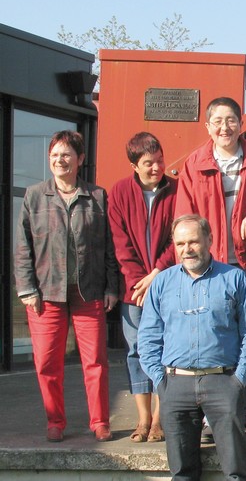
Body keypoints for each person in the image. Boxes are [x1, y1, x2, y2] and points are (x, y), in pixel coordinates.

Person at [138, 214, 246, 481]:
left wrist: (238, 380)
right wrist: (161, 383)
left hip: (223, 382)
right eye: (181, 243)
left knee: (236, 473)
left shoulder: (235, 279)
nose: (187, 249)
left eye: (194, 241)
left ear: (209, 240)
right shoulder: (162, 283)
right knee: (182, 474)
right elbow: (148, 338)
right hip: (175, 386)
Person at [14, 130, 119, 443]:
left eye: (66, 155)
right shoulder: (35, 196)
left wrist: (112, 287)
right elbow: (23, 247)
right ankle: (55, 421)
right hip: (46, 292)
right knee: (47, 362)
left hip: (88, 290)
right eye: (54, 155)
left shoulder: (97, 196)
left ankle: (100, 421)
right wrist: (27, 289)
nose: (59, 160)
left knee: (96, 361)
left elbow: (108, 247)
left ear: (80, 160)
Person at [175, 96, 246, 297]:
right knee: (211, 320)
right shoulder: (194, 165)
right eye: (218, 122)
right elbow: (183, 218)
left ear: (240, 124)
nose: (224, 127)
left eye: (231, 120)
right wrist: (184, 264)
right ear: (208, 127)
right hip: (207, 260)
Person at [108, 132, 177, 443]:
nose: (156, 167)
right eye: (148, 163)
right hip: (133, 289)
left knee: (166, 351)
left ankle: (161, 419)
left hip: (168, 283)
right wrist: (139, 281)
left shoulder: (176, 190)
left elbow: (178, 238)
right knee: (137, 351)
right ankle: (143, 418)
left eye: (160, 160)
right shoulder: (120, 192)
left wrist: (158, 274)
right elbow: (120, 242)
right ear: (133, 165)